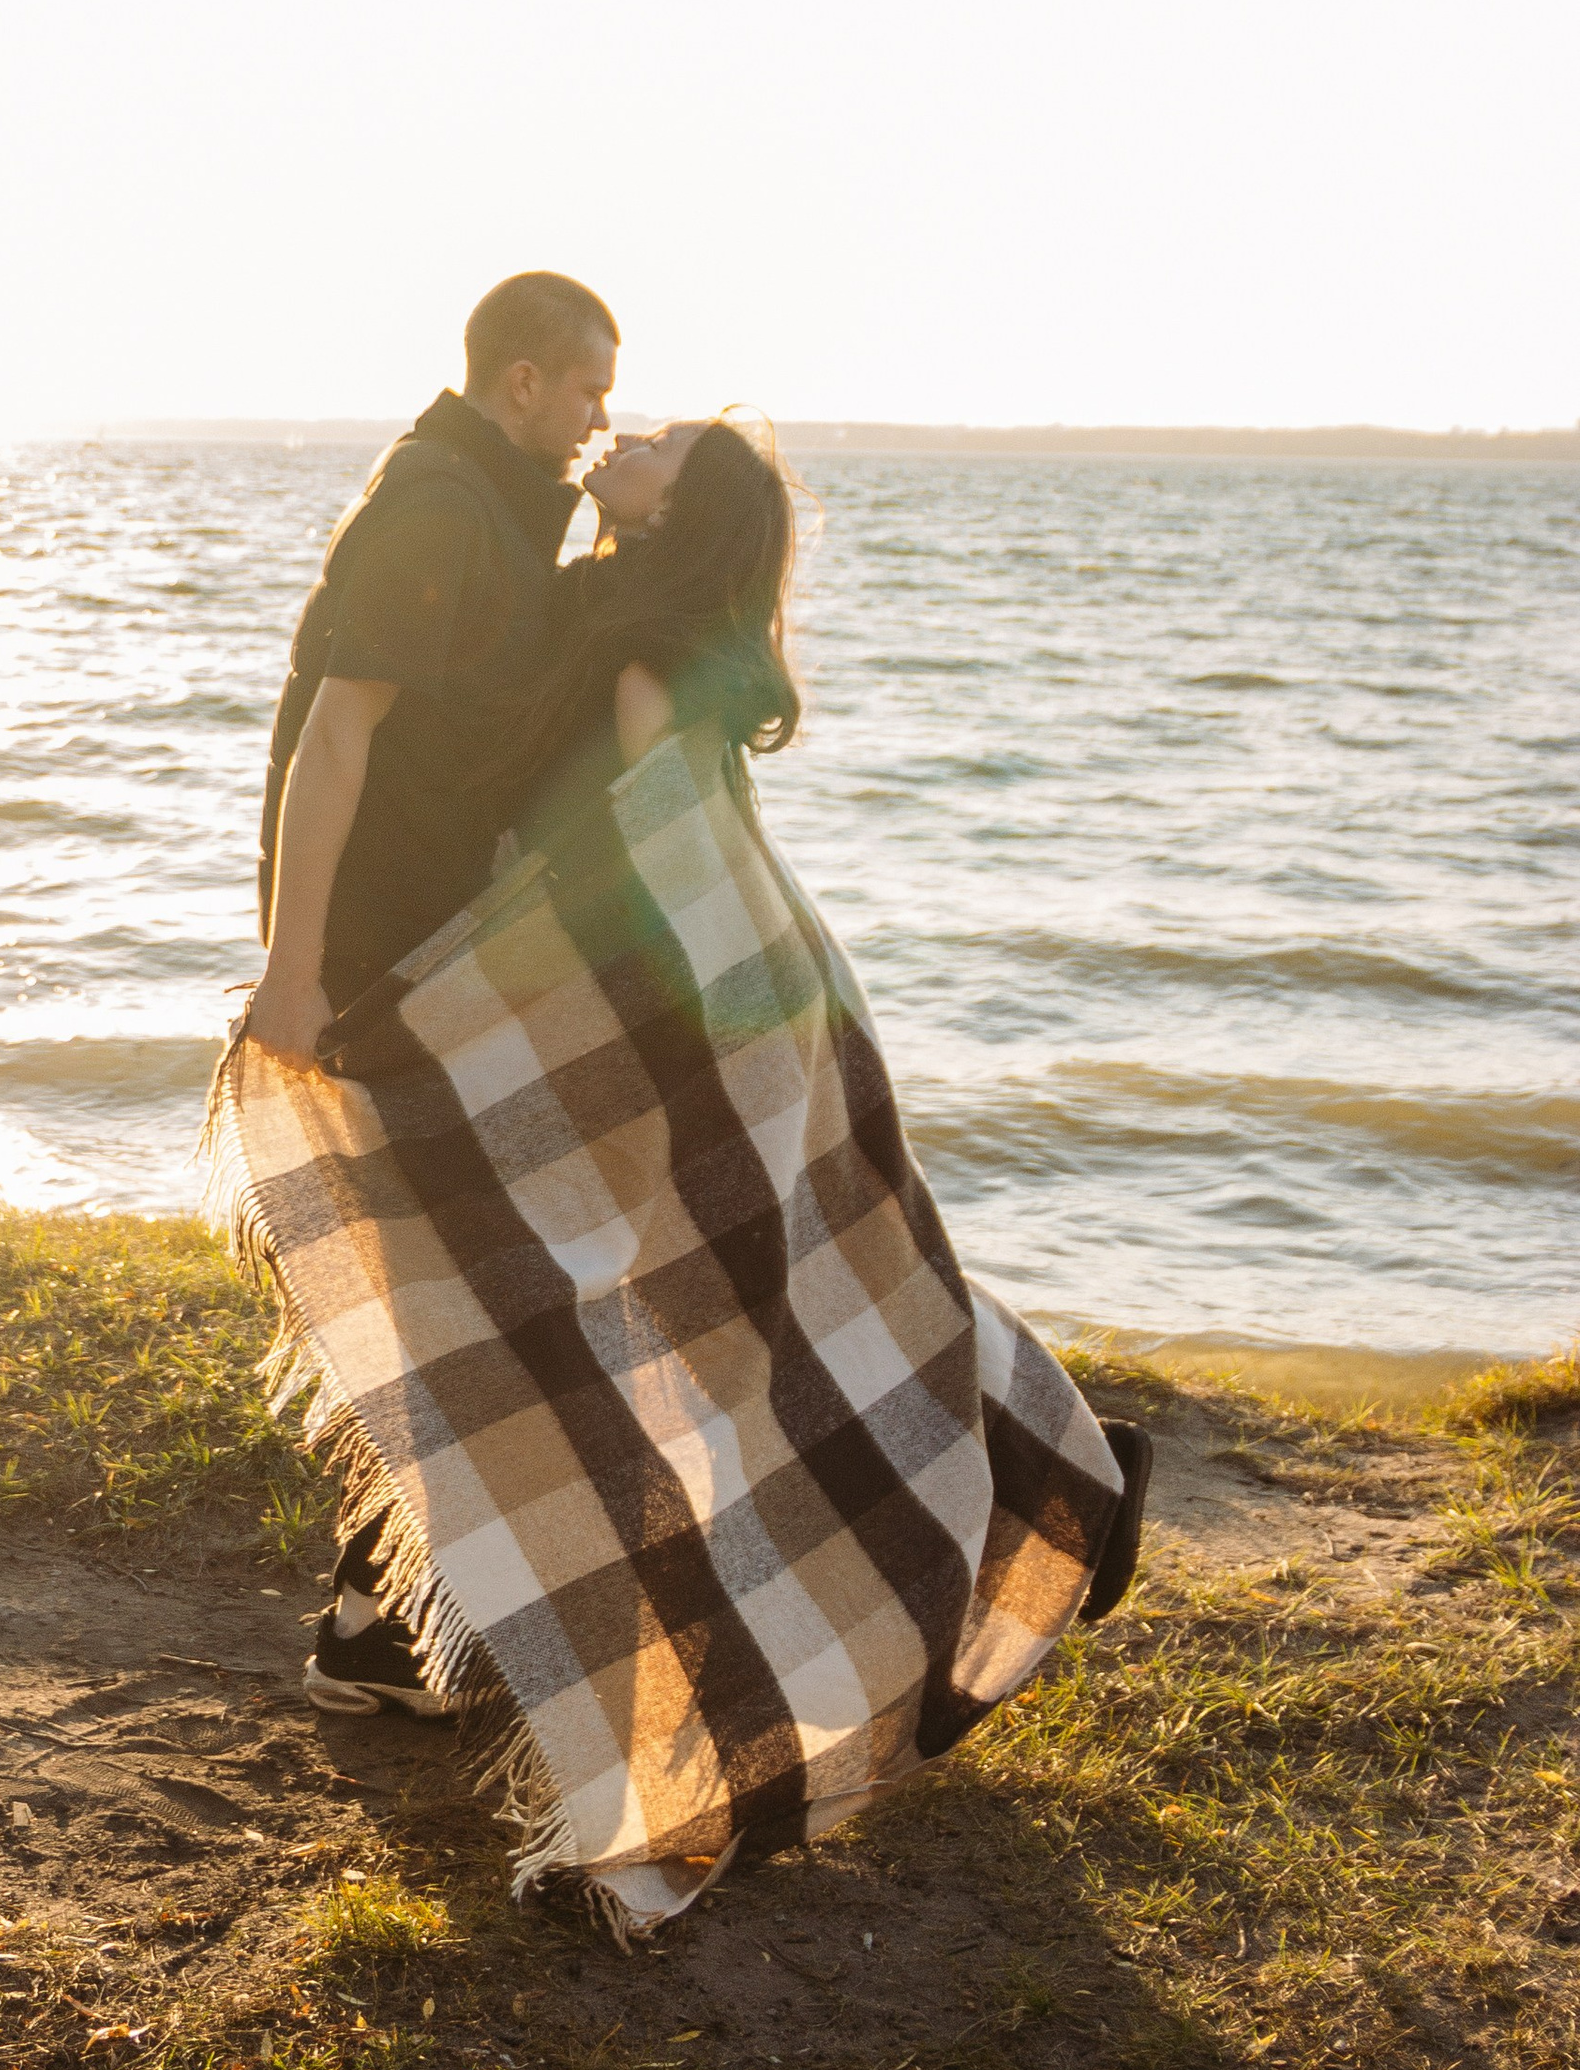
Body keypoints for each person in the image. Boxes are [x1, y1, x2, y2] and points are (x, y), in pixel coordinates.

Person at [294, 411, 1152, 1716]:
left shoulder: (639, 650)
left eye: (658, 442)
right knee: (702, 1297)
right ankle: (382, 1624)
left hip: (705, 1020)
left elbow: (661, 871)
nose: (624, 433)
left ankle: (1053, 1486)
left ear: (671, 511)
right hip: (729, 1005)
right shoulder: (610, 604)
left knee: (741, 1302)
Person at [243, 271, 619, 1070]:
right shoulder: (441, 506)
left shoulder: (484, 496)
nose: (603, 420)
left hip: (423, 930)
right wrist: (290, 975)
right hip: (371, 944)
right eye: (592, 392)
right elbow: (334, 732)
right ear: (524, 383)